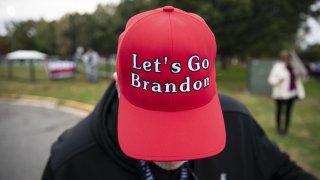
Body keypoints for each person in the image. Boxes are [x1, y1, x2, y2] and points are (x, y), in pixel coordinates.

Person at [42, 6, 316, 180]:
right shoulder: (70, 163)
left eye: (189, 118)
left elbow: (281, 172)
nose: (173, 154)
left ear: (212, 83)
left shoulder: (238, 123)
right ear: (117, 81)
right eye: (151, 120)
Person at [268, 50, 306, 135]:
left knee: (288, 112)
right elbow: (271, 79)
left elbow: (301, 77)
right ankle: (278, 128)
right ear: (281, 58)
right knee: (279, 111)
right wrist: (278, 81)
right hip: (280, 94)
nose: (286, 59)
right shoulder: (277, 66)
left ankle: (285, 129)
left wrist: (301, 73)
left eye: (287, 57)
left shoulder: (294, 67)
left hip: (291, 93)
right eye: (284, 57)